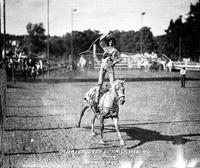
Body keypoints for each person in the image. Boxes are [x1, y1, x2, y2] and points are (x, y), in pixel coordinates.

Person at [95, 31, 122, 112]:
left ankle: (114, 100)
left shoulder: (115, 51)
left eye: (112, 41)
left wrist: (115, 62)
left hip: (110, 68)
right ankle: (96, 98)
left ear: (114, 43)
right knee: (100, 82)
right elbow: (101, 40)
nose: (110, 42)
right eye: (110, 41)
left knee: (112, 83)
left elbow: (120, 58)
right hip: (103, 67)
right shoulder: (105, 48)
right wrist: (107, 33)